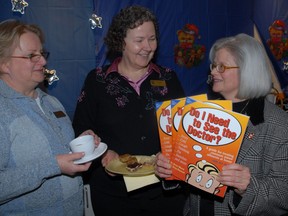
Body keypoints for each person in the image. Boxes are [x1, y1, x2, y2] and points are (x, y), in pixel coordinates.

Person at [155, 33, 288, 215]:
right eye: (214, 66)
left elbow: (283, 194)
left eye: (222, 67)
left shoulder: (279, 124)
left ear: (247, 70)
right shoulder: (201, 112)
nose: (213, 72)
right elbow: (191, 175)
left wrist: (248, 187)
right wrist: (171, 169)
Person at [72, 5, 186, 216]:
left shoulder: (169, 78)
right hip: (113, 195)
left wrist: (172, 154)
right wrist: (103, 153)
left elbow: (183, 129)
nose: (147, 46)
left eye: (152, 39)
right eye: (139, 40)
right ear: (120, 41)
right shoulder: (97, 80)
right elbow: (82, 127)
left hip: (164, 193)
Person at [0, 19, 101, 215]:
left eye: (42, 54)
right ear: (4, 64)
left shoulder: (52, 102)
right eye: (31, 56)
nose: (44, 62)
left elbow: (57, 150)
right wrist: (53, 166)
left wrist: (80, 144)